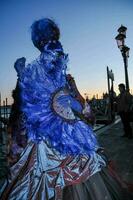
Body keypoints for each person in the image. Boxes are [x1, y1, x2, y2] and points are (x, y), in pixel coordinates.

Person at [1, 18, 133, 200]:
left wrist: (14, 151)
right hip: (65, 136)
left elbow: (20, 115)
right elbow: (82, 110)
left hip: (49, 139)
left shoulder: (34, 73)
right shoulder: (50, 73)